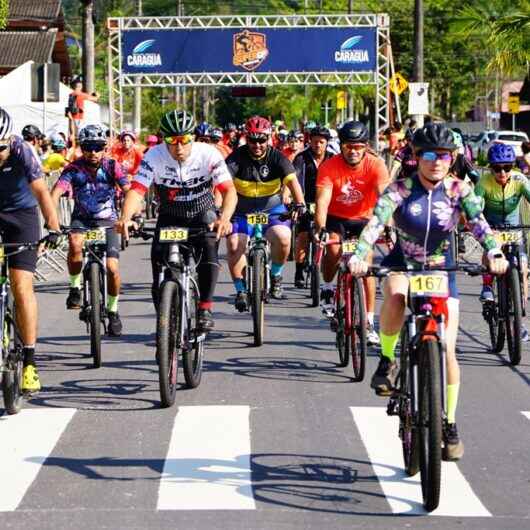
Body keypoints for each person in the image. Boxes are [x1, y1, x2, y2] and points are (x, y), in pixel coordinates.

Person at [347, 122, 508, 460]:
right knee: (393, 294)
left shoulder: (459, 191)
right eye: (430, 155)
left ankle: (449, 423)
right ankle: (388, 360)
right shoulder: (398, 190)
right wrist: (360, 255)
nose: (437, 162)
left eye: (445, 156)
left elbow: (480, 225)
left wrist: (494, 252)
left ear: (453, 159)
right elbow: (375, 224)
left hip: (441, 270)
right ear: (417, 158)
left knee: (448, 351)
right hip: (404, 261)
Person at [116, 110, 237, 332]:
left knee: (210, 247)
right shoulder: (154, 155)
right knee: (158, 269)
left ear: (193, 138)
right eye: (172, 140)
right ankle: (164, 326)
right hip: (171, 216)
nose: (178, 147)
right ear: (164, 139)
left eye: (184, 140)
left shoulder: (208, 154)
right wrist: (125, 218)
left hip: (202, 213)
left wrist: (224, 218)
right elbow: (137, 190)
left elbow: (229, 191)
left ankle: (205, 308)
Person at [0, 107, 62, 392]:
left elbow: (40, 190)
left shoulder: (22, 150)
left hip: (21, 217)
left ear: (9, 139)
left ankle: (29, 361)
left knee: (22, 286)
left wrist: (53, 226)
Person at [314, 121, 390, 345]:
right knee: (334, 250)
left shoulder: (376, 165)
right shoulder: (329, 166)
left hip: (364, 219)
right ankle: (327, 287)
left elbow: (385, 198)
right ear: (341, 146)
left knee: (365, 266)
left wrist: (388, 225)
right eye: (349, 146)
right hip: (336, 219)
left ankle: (367, 322)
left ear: (366, 146)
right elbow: (322, 202)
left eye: (358, 147)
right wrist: (321, 228)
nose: (354, 151)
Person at [51, 124, 130, 337]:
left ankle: (113, 311)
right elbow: (55, 193)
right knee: (75, 244)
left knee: (112, 268)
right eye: (88, 147)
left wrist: (131, 218)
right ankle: (75, 288)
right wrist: (53, 221)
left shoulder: (114, 166)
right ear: (81, 148)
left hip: (108, 222)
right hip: (82, 220)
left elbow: (129, 191)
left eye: (97, 147)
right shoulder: (73, 169)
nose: (93, 152)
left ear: (105, 147)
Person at [225, 115, 305, 309]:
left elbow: (292, 181)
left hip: (272, 209)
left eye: (262, 139)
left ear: (269, 138)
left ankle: (276, 275)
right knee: (235, 244)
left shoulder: (277, 157)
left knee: (284, 237)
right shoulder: (236, 157)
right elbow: (223, 185)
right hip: (242, 210)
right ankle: (241, 290)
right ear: (246, 138)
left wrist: (300, 203)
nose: (257, 144)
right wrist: (218, 208)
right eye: (252, 140)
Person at [475, 143, 530, 340]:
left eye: (507, 167)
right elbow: (476, 206)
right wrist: (476, 218)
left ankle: (520, 317)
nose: (502, 172)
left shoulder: (519, 179)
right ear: (491, 168)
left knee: (523, 267)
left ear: (513, 166)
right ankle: (487, 286)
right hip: (493, 226)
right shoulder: (484, 182)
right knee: (492, 248)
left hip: (515, 228)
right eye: (497, 168)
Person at [293, 126, 333, 287]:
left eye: (321, 142)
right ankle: (299, 269)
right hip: (305, 203)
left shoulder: (333, 159)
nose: (318, 145)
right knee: (303, 237)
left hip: (327, 204)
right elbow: (293, 178)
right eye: (315, 142)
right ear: (310, 141)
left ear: (327, 143)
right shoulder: (301, 158)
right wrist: (294, 200)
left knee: (329, 240)